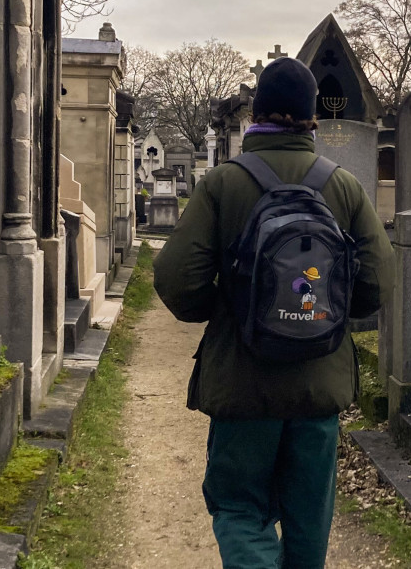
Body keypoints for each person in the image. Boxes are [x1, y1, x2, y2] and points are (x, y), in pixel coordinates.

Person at [154, 57, 394, 569]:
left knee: (240, 508)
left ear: (257, 113)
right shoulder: (344, 187)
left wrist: (226, 306)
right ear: (312, 118)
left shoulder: (223, 184)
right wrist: (326, 316)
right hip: (318, 385)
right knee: (310, 521)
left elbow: (178, 282)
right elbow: (376, 284)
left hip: (243, 384)